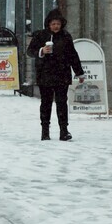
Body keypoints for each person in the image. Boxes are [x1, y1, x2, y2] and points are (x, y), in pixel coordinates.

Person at [27, 8, 85, 141]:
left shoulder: (65, 36)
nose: (56, 26)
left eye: (58, 24)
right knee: (46, 103)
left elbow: (72, 55)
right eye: (53, 24)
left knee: (61, 102)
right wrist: (41, 51)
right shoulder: (41, 36)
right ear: (48, 24)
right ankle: (45, 131)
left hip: (62, 73)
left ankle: (64, 130)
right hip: (45, 74)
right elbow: (30, 51)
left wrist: (79, 72)